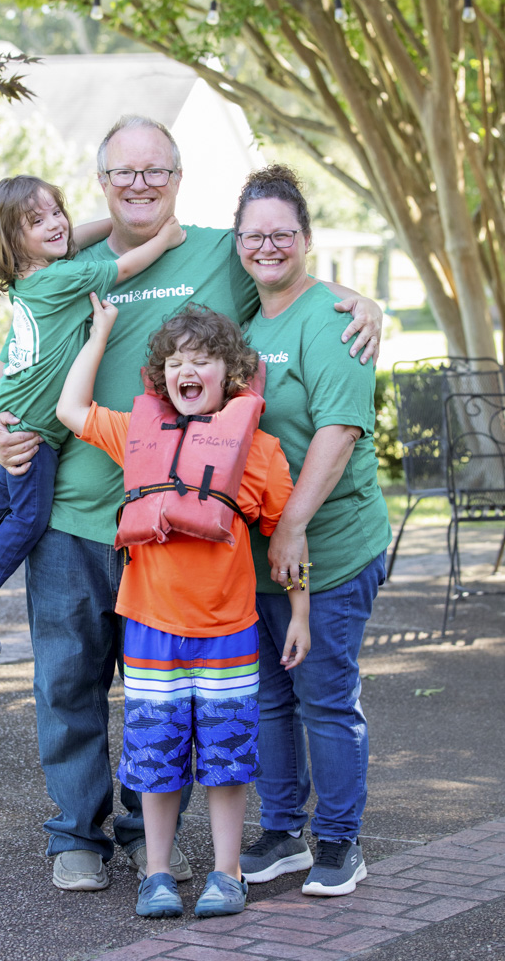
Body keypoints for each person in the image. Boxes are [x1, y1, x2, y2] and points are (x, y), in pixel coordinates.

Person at [0, 115, 382, 892]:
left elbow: (284, 272)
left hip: (179, 532)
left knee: (167, 689)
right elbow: (12, 362)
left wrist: (361, 300)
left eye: (155, 171)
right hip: (70, 513)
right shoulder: (68, 260)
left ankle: (146, 833)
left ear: (177, 178)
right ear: (100, 181)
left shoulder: (211, 251)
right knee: (68, 682)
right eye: (124, 172)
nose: (140, 184)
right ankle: (76, 836)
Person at [56, 301, 310, 918]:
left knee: (226, 759)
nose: (186, 371)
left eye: (202, 361)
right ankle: (159, 874)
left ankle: (228, 875)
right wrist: (100, 334)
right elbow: (70, 410)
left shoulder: (258, 451)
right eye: (175, 362)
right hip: (149, 628)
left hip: (228, 631)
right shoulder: (137, 433)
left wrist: (299, 614)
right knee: (155, 757)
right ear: (160, 376)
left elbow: (288, 540)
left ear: (233, 373)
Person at [0, 172, 184, 657]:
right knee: (29, 517)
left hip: (16, 412)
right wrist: (163, 235)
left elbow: (75, 237)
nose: (57, 224)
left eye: (56, 212)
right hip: (34, 427)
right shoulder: (63, 280)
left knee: (5, 490)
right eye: (36, 221)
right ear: (14, 240)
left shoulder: (32, 279)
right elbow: (124, 267)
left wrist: (111, 218)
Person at [233, 163, 391, 897]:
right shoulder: (245, 321)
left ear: (307, 239)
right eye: (255, 234)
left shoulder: (332, 321)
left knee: (323, 693)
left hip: (328, 543)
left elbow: (341, 429)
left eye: (282, 233)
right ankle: (283, 831)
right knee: (268, 694)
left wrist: (293, 525)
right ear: (239, 242)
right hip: (259, 551)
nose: (269, 246)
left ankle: (338, 842)